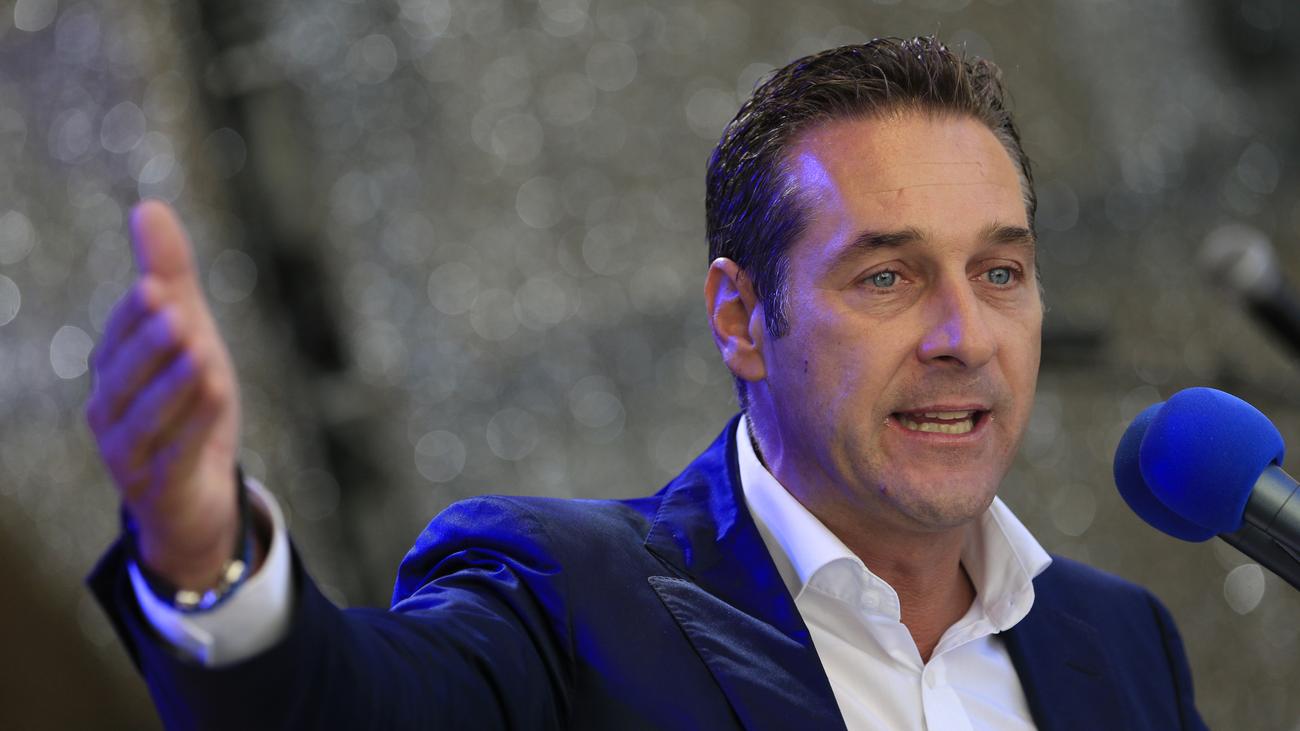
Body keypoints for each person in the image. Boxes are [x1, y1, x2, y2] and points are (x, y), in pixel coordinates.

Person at [86, 38, 1208, 729]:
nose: (965, 334)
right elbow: (345, 707)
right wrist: (204, 555)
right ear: (741, 318)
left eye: (1000, 271)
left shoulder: (1118, 642)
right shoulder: (568, 601)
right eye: (887, 276)